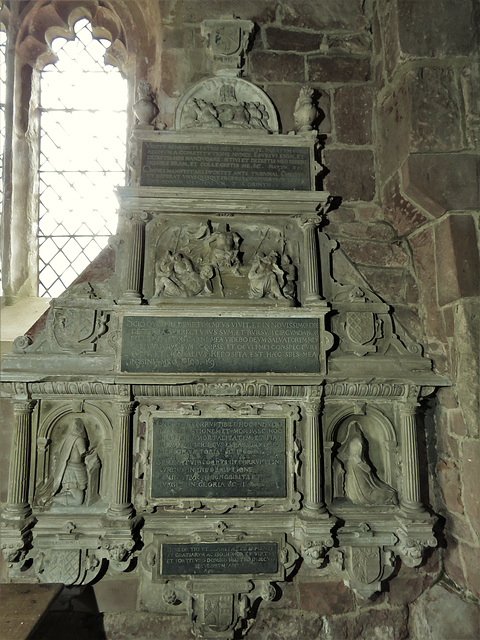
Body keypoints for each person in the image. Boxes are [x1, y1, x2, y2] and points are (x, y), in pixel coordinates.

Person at [342, 422, 397, 506]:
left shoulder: (353, 442)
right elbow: (359, 460)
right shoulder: (358, 441)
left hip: (354, 467)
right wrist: (368, 469)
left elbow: (348, 455)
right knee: (369, 491)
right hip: (357, 468)